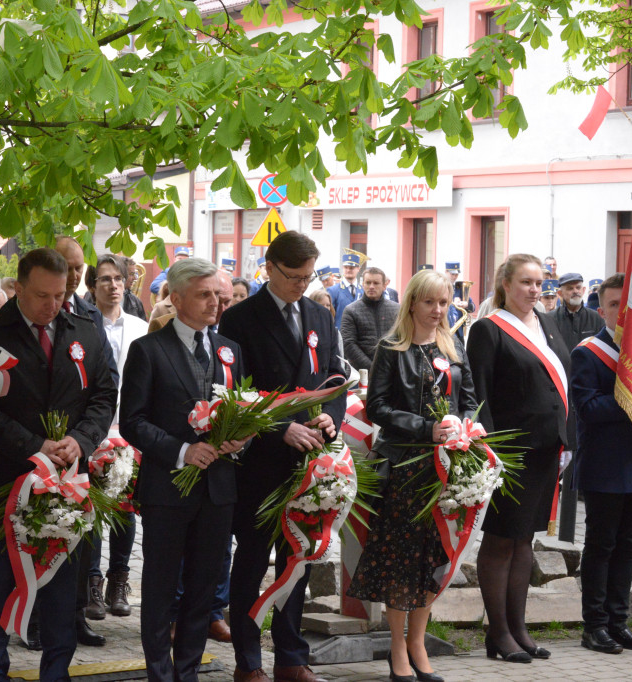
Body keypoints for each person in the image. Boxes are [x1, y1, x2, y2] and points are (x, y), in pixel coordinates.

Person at [0, 247, 117, 682]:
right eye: (42, 296)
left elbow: (104, 395)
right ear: (18, 288)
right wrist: (34, 446)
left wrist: (80, 440)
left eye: (60, 295)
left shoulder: (85, 330)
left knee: (63, 599)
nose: (52, 305)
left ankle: (56, 673)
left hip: (66, 485)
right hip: (4, 483)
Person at [220, 231, 347, 682]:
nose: (302, 284)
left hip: (308, 462)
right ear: (269, 268)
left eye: (308, 276)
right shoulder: (240, 318)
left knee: (298, 560)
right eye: (294, 276)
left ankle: (291, 656)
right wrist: (279, 429)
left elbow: (335, 376)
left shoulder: (318, 314)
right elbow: (231, 393)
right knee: (252, 561)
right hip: (261, 462)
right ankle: (248, 661)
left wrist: (331, 418)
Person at [120, 257, 247, 682]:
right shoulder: (148, 350)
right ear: (176, 298)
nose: (215, 303)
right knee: (160, 588)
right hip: (167, 489)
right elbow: (133, 421)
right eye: (204, 295)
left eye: (218, 295)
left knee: (203, 588)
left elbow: (244, 409)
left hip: (218, 489)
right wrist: (182, 451)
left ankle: (188, 670)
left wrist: (241, 438)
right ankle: (160, 673)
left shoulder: (230, 350)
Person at [348, 269, 477, 682]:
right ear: (412, 303)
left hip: (448, 466)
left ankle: (418, 643)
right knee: (401, 561)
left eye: (444, 303)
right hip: (405, 466)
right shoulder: (391, 348)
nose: (438, 310)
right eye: (430, 302)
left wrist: (467, 426)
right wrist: (426, 428)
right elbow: (377, 407)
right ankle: (397, 647)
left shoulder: (453, 344)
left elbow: (469, 398)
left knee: (432, 559)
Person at [466, 253, 575, 664]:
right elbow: (479, 394)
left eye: (539, 282)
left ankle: (518, 628)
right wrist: (489, 451)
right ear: (506, 284)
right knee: (501, 538)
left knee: (524, 539)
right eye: (526, 282)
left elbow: (563, 382)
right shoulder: (488, 329)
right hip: (508, 452)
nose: (534, 290)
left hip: (547, 449)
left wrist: (568, 439)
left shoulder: (546, 324)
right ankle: (498, 633)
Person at [571, 274, 632, 655]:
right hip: (606, 468)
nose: (624, 312)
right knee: (601, 546)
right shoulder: (588, 352)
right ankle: (594, 626)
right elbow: (588, 407)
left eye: (629, 304)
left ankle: (618, 622)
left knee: (628, 546)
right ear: (602, 311)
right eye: (615, 305)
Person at [53, 236, 121, 645]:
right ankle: (37, 618)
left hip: (81, 445)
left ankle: (76, 614)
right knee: (45, 532)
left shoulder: (89, 313)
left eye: (80, 267)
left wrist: (86, 437)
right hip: (42, 447)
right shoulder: (33, 311)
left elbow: (106, 381)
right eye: (67, 266)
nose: (75, 275)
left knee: (80, 536)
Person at [81, 255, 149, 621]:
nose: (113, 285)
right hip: (92, 430)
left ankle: (118, 581)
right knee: (91, 509)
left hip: (129, 430)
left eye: (118, 279)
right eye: (105, 279)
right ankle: (91, 582)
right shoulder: (83, 325)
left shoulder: (140, 327)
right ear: (92, 286)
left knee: (125, 509)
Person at [340, 266, 400, 372]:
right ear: (363, 284)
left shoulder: (397, 310)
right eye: (368, 283)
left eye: (376, 283)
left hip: (392, 371)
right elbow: (348, 344)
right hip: (360, 373)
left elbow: (403, 339)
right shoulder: (351, 310)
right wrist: (372, 369)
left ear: (384, 286)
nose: (371, 286)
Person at [550, 272, 603, 352]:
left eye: (578, 287)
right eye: (570, 288)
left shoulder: (597, 318)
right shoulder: (550, 319)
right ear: (560, 293)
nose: (575, 291)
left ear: (583, 290)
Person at [327, 252, 362, 328]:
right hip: (340, 332)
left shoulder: (363, 291)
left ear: (358, 269)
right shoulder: (333, 291)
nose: (348, 270)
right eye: (346, 267)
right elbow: (329, 315)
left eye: (351, 268)